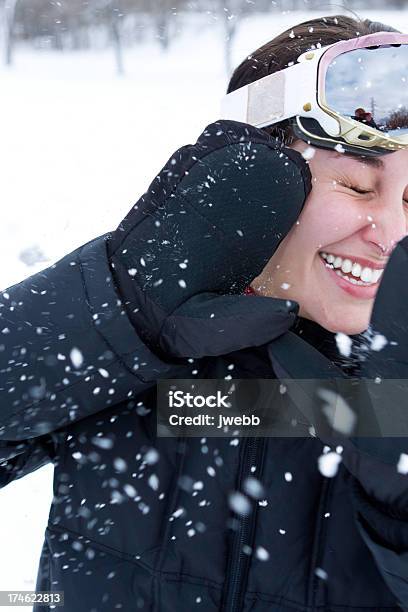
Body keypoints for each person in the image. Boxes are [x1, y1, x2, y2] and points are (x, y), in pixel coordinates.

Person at [1, 13, 408, 612]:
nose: (392, 235)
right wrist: (116, 316)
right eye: (354, 186)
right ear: (251, 177)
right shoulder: (136, 335)